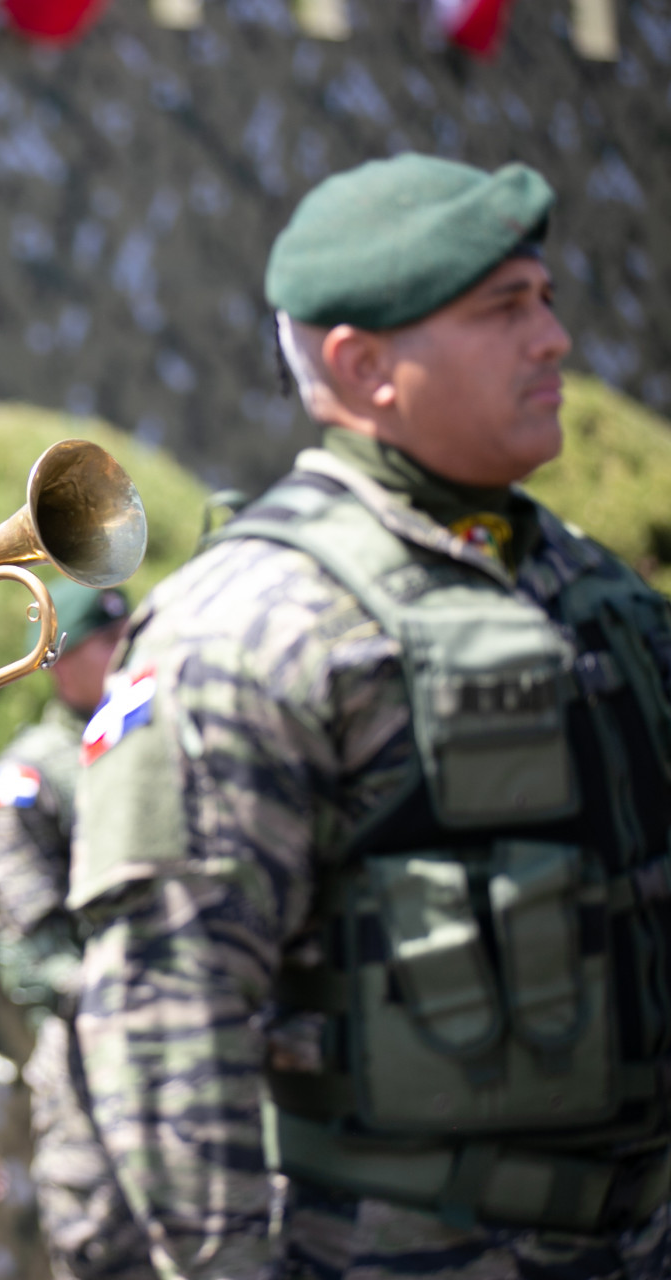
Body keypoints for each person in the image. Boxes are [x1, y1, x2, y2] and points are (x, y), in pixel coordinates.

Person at [68, 152, 671, 1279]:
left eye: (547, 300)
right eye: (505, 309)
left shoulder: (601, 591)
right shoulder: (246, 624)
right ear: (364, 364)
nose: (554, 340)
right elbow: (167, 1008)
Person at [0, 579, 151, 1280]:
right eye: (107, 642)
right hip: (92, 1055)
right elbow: (31, 946)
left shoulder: (158, 744)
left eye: (128, 636)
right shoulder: (26, 777)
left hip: (193, 1037)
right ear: (59, 661)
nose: (126, 653)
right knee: (103, 1245)